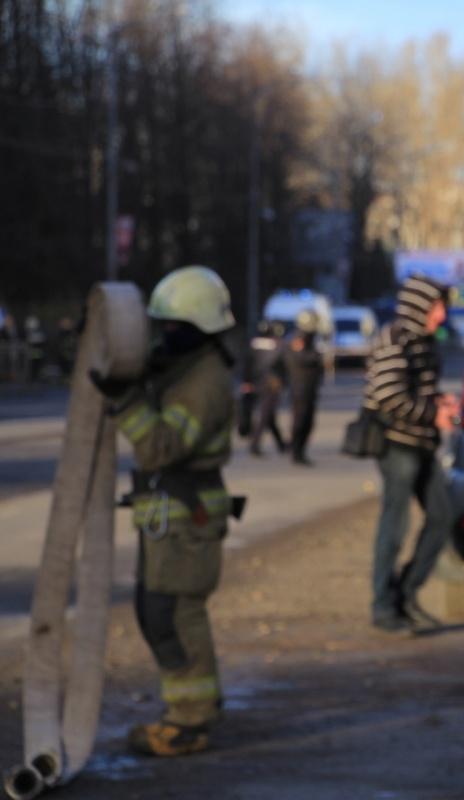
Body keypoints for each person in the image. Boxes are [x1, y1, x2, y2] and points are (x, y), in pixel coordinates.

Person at [90, 265, 237, 757]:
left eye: (174, 328)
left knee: (172, 615)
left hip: (186, 515)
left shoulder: (205, 381)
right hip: (171, 512)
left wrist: (126, 401)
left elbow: (161, 447)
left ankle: (190, 722)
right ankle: (201, 705)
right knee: (163, 612)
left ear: (200, 328)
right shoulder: (187, 365)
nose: (166, 336)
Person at [363, 275, 460, 633]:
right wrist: (432, 413)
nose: (442, 315)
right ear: (420, 307)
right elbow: (389, 395)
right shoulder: (394, 339)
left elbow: (415, 391)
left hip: (423, 443)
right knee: (395, 525)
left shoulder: (425, 342)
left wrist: (439, 403)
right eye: (437, 307)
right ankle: (383, 606)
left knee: (442, 517)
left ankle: (407, 592)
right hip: (396, 445)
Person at [283, 310, 323, 466]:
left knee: (308, 421)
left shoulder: (310, 338)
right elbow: (298, 358)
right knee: (300, 420)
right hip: (300, 387)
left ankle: (301, 451)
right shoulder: (298, 338)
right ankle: (296, 452)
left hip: (309, 387)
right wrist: (317, 358)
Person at [246, 320, 288, 456]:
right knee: (265, 414)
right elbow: (283, 365)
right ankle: (255, 444)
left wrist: (246, 381)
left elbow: (247, 363)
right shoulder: (278, 345)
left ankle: (281, 444)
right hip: (271, 384)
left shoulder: (254, 343)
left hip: (257, 382)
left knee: (269, 415)